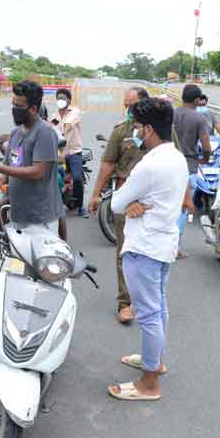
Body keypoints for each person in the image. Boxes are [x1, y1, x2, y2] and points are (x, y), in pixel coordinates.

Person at [107, 97, 189, 402]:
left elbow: (115, 202)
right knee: (159, 307)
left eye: (138, 127)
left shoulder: (149, 164)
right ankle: (155, 360)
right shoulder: (176, 157)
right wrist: (134, 203)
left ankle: (149, 383)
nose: (136, 132)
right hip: (165, 242)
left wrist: (129, 202)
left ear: (150, 129)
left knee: (150, 314)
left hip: (144, 247)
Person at [88, 86, 149, 324]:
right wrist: (95, 194)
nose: (128, 110)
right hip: (126, 201)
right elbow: (107, 164)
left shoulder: (163, 132)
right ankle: (125, 302)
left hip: (154, 204)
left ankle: (145, 299)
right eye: (125, 105)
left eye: (131, 105)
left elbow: (175, 162)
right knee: (125, 253)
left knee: (150, 254)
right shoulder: (120, 132)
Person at [0, 81, 64, 234]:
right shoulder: (16, 134)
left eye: (19, 106)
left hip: (41, 218)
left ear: (33, 109)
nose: (14, 110)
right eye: (13, 104)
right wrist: (1, 178)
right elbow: (13, 164)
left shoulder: (44, 132)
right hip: (19, 215)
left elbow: (38, 171)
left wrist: (0, 167)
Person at [172, 84, 210, 258]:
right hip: (189, 167)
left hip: (168, 165)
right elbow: (207, 147)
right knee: (183, 209)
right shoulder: (199, 119)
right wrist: (205, 159)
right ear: (196, 100)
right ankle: (175, 248)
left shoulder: (171, 114)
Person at [52, 88, 88, 217]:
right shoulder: (54, 117)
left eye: (63, 98)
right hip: (60, 152)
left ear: (69, 100)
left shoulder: (75, 112)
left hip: (74, 152)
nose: (61, 101)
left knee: (77, 178)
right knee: (51, 176)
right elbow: (51, 129)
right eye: (59, 98)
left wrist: (60, 132)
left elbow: (68, 124)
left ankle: (80, 206)